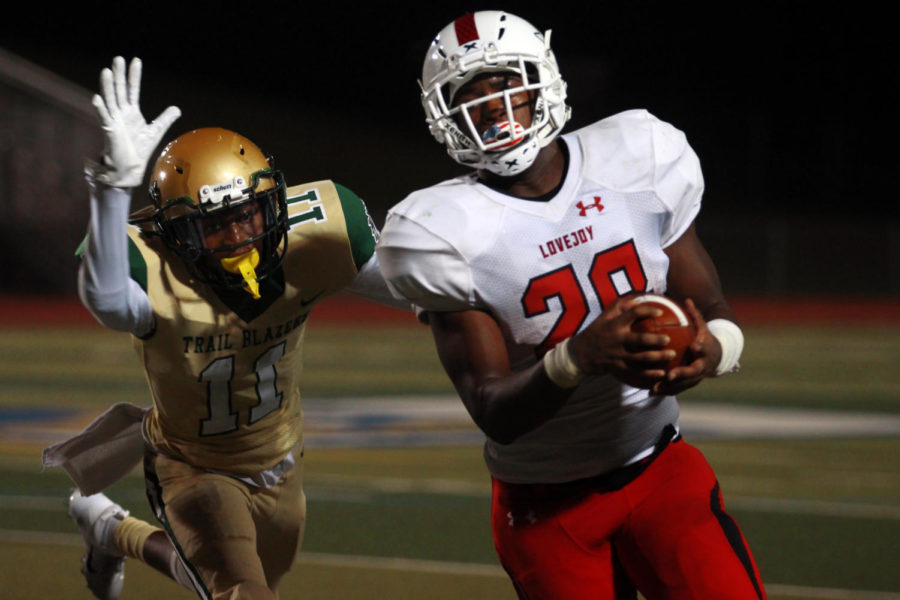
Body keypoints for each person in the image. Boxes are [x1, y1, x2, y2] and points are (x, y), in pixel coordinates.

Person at [376, 11, 765, 600]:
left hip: (660, 468)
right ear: (442, 113)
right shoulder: (441, 230)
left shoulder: (640, 157)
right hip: (545, 505)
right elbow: (493, 408)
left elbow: (710, 306)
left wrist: (713, 350)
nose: (491, 105)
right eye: (469, 94)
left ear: (543, 82)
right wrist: (577, 356)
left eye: (505, 82)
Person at [42, 56, 404, 600]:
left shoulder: (319, 239)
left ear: (273, 203)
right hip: (192, 465)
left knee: (222, 579)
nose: (238, 235)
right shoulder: (157, 268)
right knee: (240, 589)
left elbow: (417, 290)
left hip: (281, 460)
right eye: (214, 225)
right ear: (179, 232)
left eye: (248, 214)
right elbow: (109, 301)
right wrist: (112, 187)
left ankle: (110, 528)